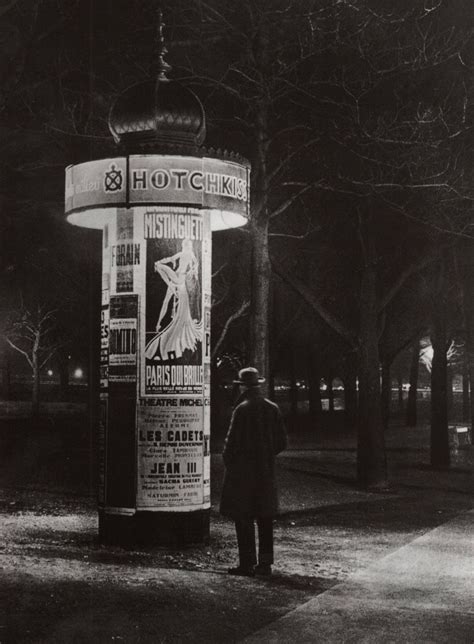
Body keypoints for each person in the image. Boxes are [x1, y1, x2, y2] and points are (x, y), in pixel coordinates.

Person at [220, 367, 287, 577]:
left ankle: (247, 563)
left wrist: (232, 464)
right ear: (258, 384)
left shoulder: (241, 409)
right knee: (265, 519)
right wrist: (266, 456)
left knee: (244, 518)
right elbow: (282, 442)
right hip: (265, 473)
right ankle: (265, 565)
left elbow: (230, 445)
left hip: (243, 474)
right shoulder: (272, 407)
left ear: (242, 387)